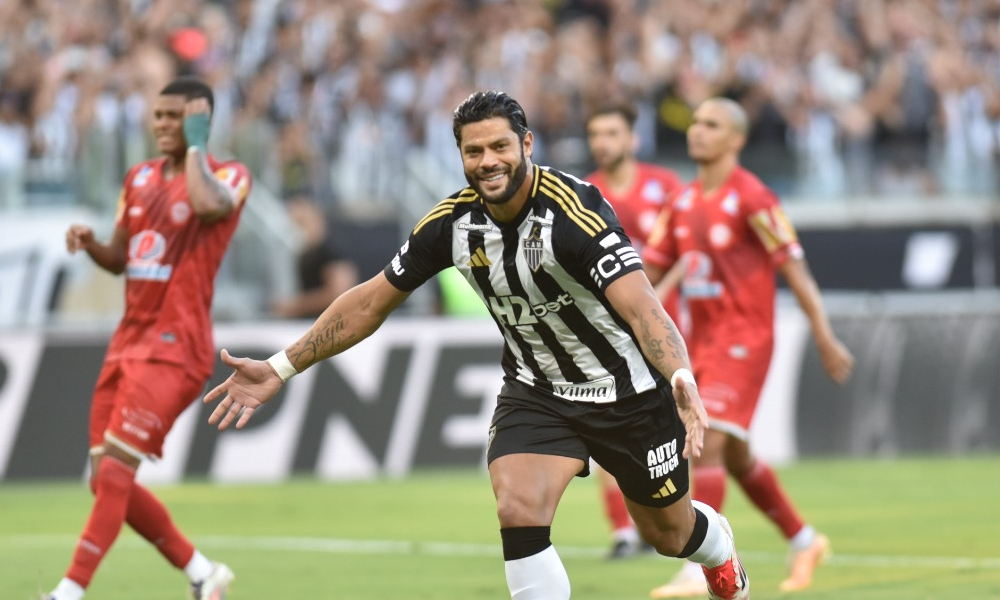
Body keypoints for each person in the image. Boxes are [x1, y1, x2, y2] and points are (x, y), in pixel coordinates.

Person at [203, 90, 750, 600]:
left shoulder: (574, 212)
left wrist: (679, 377)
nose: (488, 161)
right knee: (517, 507)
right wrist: (281, 366)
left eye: (499, 147)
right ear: (460, 156)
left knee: (668, 534)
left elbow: (643, 308)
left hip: (626, 393)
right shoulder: (452, 224)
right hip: (538, 391)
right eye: (474, 151)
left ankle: (718, 548)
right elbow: (370, 302)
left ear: (526, 145)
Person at [46, 76, 250, 600]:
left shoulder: (228, 175)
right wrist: (91, 244)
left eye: (174, 116)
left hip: (176, 348)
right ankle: (204, 573)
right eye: (156, 115)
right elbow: (121, 257)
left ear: (200, 119)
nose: (160, 124)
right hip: (126, 344)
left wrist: (198, 144)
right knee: (104, 481)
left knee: (115, 472)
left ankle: (69, 592)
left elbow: (207, 207)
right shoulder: (138, 178)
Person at [642, 97, 854, 598]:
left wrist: (823, 334)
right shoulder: (681, 202)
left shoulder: (754, 197)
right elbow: (647, 274)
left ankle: (700, 566)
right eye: (695, 122)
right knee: (734, 455)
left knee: (706, 440)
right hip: (699, 345)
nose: (698, 131)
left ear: (736, 139)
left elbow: (794, 269)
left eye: (711, 124)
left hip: (745, 340)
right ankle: (804, 540)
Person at [584, 101, 683, 559]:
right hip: (611, 338)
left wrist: (657, 294)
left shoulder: (665, 188)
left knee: (677, 430)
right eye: (596, 134)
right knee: (611, 431)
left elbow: (691, 249)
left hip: (666, 332)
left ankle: (677, 519)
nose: (602, 142)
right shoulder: (584, 195)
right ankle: (625, 530)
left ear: (633, 139)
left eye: (611, 132)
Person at [270, 196, 359, 320]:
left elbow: (338, 293)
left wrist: (295, 306)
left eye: (300, 223)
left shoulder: (331, 250)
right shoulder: (306, 253)